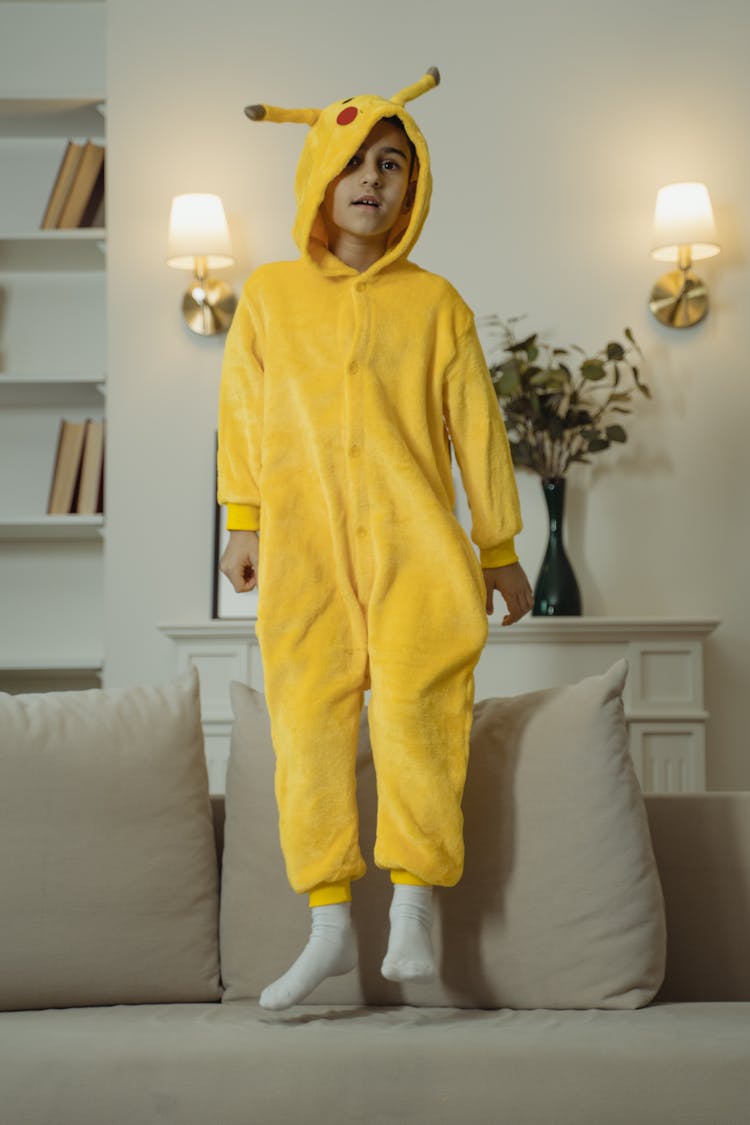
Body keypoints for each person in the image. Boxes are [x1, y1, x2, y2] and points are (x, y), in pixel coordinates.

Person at [217, 67, 533, 1011]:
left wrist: (498, 547)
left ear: (412, 188)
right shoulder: (269, 297)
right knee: (307, 723)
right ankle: (325, 927)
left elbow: (478, 431)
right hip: (307, 554)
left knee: (418, 716)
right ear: (319, 174)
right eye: (353, 160)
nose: (371, 177)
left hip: (417, 550)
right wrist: (243, 522)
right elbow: (241, 415)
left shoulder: (437, 305)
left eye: (392, 163)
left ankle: (414, 903)